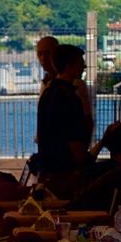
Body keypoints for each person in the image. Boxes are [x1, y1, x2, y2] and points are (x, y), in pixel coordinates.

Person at [35, 44, 92, 201]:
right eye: (80, 63)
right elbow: (74, 139)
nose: (84, 66)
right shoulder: (70, 97)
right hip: (66, 172)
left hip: (49, 169)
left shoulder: (48, 92)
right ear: (70, 66)